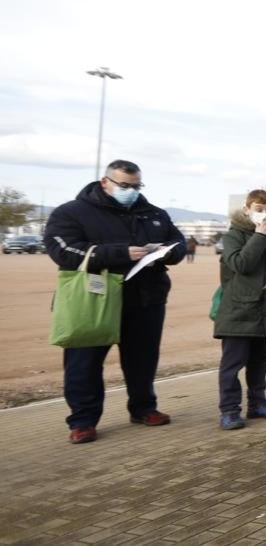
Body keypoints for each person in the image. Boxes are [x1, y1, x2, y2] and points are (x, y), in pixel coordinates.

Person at [44, 159, 187, 444]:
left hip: (145, 299)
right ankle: (83, 420)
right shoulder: (71, 213)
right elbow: (64, 251)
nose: (131, 191)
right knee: (84, 364)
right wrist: (123, 253)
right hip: (92, 301)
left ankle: (144, 408)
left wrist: (167, 253)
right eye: (125, 185)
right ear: (105, 182)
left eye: (136, 186)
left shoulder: (153, 213)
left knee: (143, 360)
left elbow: (178, 243)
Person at [214, 189, 266, 430]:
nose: (264, 214)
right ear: (247, 210)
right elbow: (242, 264)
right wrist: (259, 236)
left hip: (265, 310)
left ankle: (258, 403)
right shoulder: (234, 236)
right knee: (232, 364)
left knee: (259, 361)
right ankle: (229, 410)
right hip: (238, 311)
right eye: (259, 210)